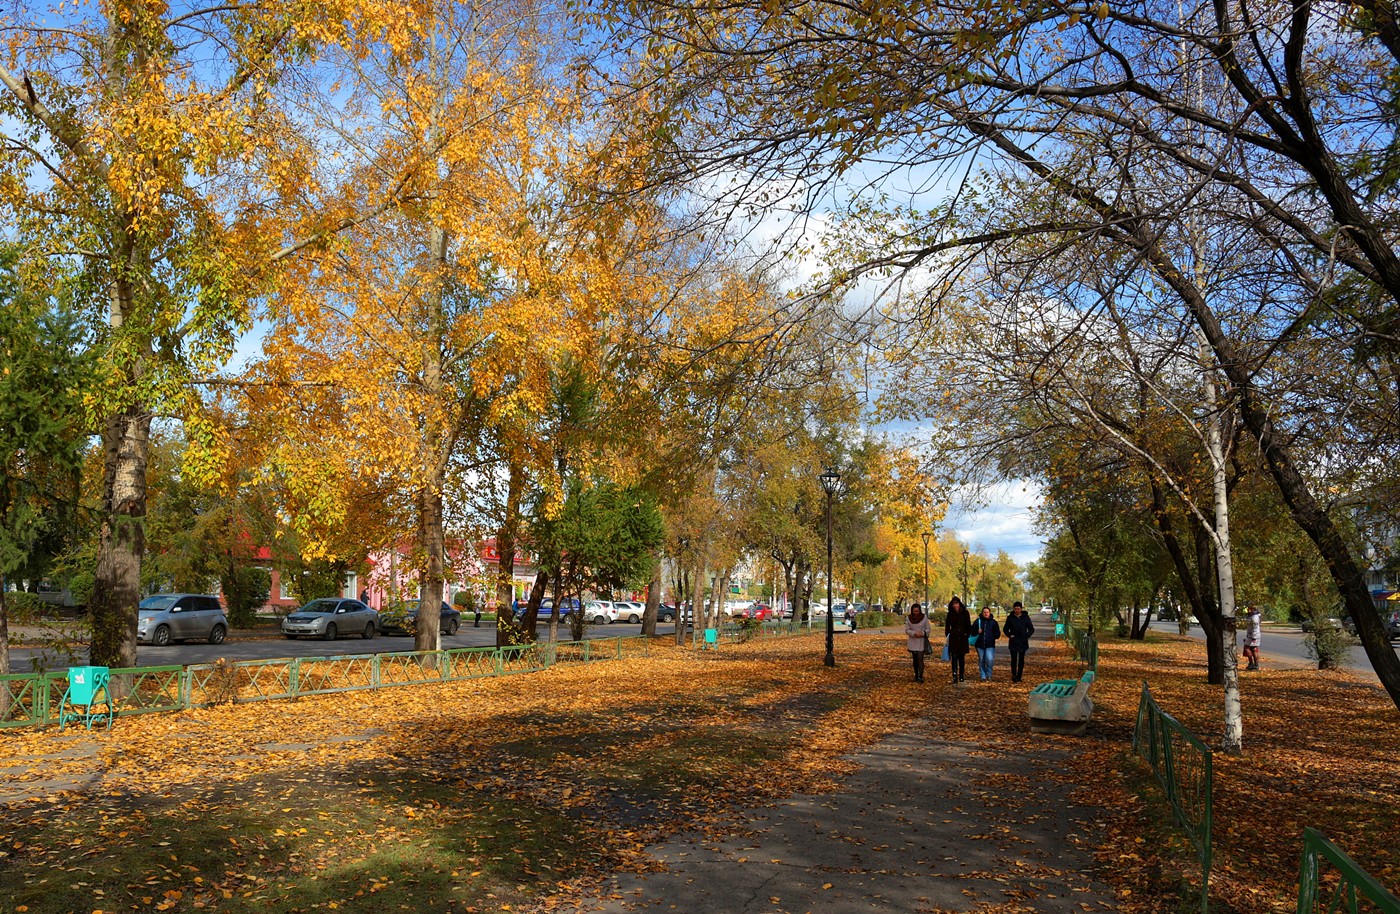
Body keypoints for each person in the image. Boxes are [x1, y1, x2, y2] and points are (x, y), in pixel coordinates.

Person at [1003, 601, 1035, 683]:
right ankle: (1014, 675)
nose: (1016, 610)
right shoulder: (1010, 618)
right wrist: (1010, 635)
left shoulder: (1026, 617)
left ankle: (1019, 675)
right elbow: (1005, 629)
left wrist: (1026, 635)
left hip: (1023, 641)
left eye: (1018, 609)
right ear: (1013, 609)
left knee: (1021, 660)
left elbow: (1031, 629)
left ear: (1021, 609)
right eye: (1015, 609)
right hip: (1013, 641)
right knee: (1013, 659)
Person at [944, 596, 972, 684]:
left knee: (961, 657)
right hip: (954, 637)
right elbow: (947, 625)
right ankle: (955, 675)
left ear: (959, 604)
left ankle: (961, 675)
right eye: (953, 604)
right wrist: (948, 634)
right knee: (954, 657)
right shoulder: (950, 614)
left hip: (963, 638)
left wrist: (967, 634)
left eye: (957, 604)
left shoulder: (965, 613)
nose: (955, 606)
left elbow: (968, 625)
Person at [971, 605, 1002, 681]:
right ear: (982, 613)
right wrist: (976, 631)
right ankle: (983, 675)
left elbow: (997, 633)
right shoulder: (978, 621)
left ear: (989, 613)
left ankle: (989, 674)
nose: (986, 614)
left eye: (987, 612)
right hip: (979, 644)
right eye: (984, 612)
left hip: (990, 644)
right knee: (982, 660)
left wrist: (993, 636)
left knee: (989, 659)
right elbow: (971, 631)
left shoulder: (993, 622)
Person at [904, 603, 931, 682]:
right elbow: (907, 630)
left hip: (921, 641)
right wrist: (914, 633)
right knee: (915, 659)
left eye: (917, 611)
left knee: (920, 658)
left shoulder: (924, 618)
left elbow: (928, 628)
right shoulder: (909, 618)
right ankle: (916, 675)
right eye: (914, 611)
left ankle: (921, 676)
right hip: (913, 641)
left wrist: (923, 633)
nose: (916, 613)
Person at [1242, 605, 1262, 670]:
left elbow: (1255, 627)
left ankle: (1252, 663)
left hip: (1253, 635)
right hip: (1252, 635)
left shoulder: (1254, 617)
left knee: (1247, 648)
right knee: (1253, 649)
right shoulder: (1254, 616)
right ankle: (1255, 665)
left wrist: (1254, 637)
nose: (1247, 612)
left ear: (1251, 609)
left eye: (1248, 610)